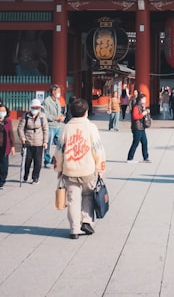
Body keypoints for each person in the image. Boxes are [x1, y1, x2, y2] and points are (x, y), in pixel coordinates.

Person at [53, 97, 106, 239]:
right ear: (86, 112)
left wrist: (58, 168)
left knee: (72, 200)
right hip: (87, 168)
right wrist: (100, 167)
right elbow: (97, 149)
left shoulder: (66, 128)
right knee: (88, 195)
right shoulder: (91, 128)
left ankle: (74, 229)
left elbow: (60, 150)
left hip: (69, 169)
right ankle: (87, 221)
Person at [17, 98, 48, 184]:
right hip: (28, 142)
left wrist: (45, 141)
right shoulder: (25, 116)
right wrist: (22, 137)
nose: (35, 109)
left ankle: (35, 177)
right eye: (34, 108)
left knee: (38, 162)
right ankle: (25, 175)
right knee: (27, 161)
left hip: (39, 143)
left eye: (37, 108)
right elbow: (20, 128)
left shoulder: (42, 116)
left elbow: (45, 129)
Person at [43, 85, 65, 168]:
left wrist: (61, 117)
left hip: (58, 126)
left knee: (60, 144)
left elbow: (59, 112)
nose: (59, 93)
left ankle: (55, 158)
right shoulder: (47, 101)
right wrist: (56, 118)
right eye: (58, 91)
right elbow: (46, 114)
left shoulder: (57, 101)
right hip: (50, 126)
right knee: (48, 144)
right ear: (53, 92)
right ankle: (47, 160)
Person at [127, 94, 151, 163]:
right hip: (137, 127)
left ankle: (145, 157)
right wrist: (143, 113)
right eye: (143, 99)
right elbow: (135, 117)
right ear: (140, 100)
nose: (145, 100)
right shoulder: (136, 107)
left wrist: (146, 112)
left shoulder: (142, 107)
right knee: (135, 143)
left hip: (142, 127)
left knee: (145, 142)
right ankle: (130, 158)